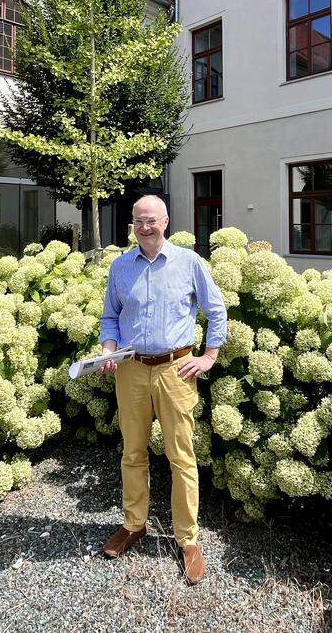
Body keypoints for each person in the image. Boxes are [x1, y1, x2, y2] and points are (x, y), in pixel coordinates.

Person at [96, 194, 227, 585]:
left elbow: (216, 309)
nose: (144, 227)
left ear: (165, 221)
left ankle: (188, 540)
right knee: (132, 452)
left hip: (177, 371)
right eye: (138, 221)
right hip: (131, 371)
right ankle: (134, 524)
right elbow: (110, 317)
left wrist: (209, 357)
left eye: (150, 220)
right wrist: (108, 349)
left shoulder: (189, 262)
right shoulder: (120, 267)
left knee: (181, 457)